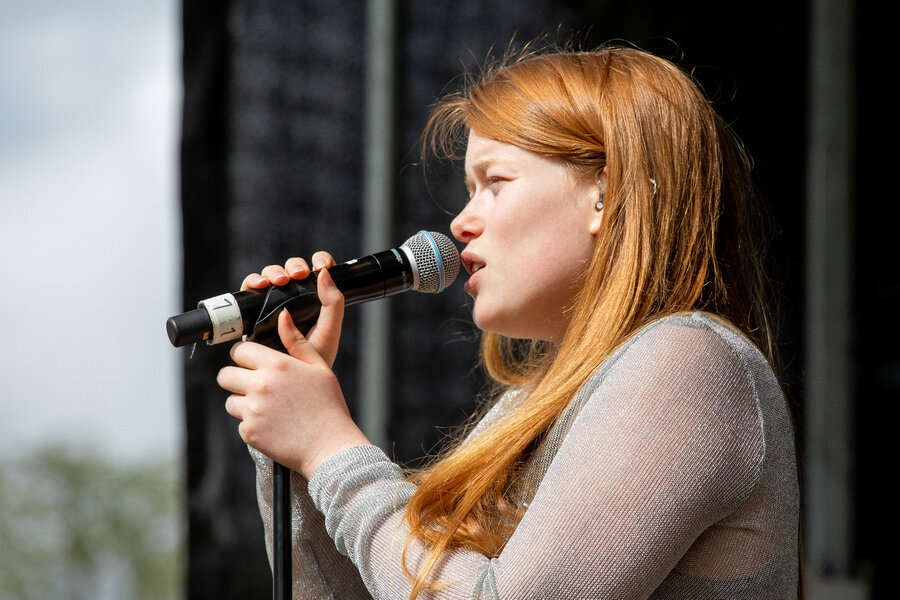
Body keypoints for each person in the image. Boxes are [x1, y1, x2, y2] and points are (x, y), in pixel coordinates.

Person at [216, 45, 800, 599]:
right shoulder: (527, 406)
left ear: (606, 191)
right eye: (468, 191)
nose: (461, 224)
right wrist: (294, 455)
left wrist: (329, 447)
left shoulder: (690, 361)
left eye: (494, 183)